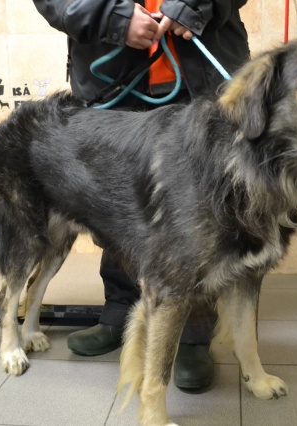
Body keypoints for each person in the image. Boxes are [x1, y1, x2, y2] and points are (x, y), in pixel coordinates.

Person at [33, 0, 250, 391]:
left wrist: (194, 4)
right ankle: (120, 310)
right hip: (111, 78)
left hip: (200, 74)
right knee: (119, 208)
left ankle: (193, 334)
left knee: (202, 218)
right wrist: (111, 17)